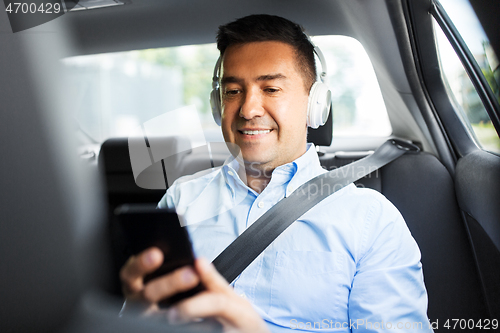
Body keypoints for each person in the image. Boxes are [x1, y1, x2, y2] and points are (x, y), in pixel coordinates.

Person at [120, 14, 432, 333]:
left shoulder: (371, 220)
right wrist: (135, 315)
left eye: (270, 89)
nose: (248, 109)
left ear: (315, 105)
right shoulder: (180, 199)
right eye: (232, 92)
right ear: (217, 105)